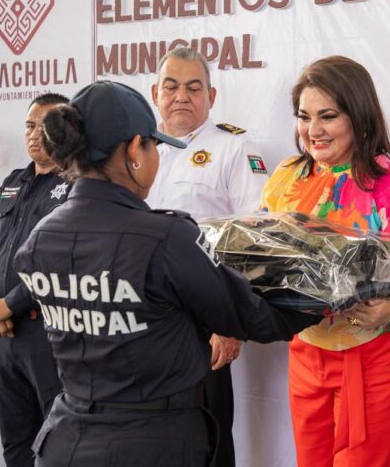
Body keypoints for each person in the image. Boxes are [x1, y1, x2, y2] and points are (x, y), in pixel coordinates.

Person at [8, 80, 322, 466]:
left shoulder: (41, 238)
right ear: (133, 152)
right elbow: (255, 318)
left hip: (65, 441)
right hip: (152, 444)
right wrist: (330, 292)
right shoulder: (165, 237)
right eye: (154, 145)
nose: (157, 155)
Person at [261, 56, 390, 466]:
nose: (313, 131)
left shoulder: (389, 181)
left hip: (372, 356)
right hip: (305, 349)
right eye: (304, 117)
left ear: (358, 115)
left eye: (328, 116)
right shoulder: (286, 176)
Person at [146, 47, 269, 467]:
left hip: (204, 322)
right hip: (142, 320)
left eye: (193, 87)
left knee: (207, 440)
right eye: (172, 86)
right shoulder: (137, 150)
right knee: (150, 439)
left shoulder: (234, 148)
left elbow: (253, 238)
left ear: (211, 97)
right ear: (155, 92)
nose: (182, 95)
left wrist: (227, 320)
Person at [0, 93, 70, 467]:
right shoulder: (13, 182)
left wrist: (9, 304)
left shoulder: (77, 185)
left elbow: (64, 261)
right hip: (4, 335)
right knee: (15, 441)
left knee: (56, 442)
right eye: (29, 126)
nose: (34, 135)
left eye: (45, 127)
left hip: (49, 334)